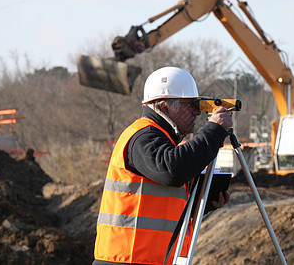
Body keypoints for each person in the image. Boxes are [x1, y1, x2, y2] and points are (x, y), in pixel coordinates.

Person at [93, 67, 233, 265]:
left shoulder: (166, 142)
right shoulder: (142, 136)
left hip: (154, 259)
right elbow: (172, 171)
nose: (197, 111)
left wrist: (205, 203)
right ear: (165, 106)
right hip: (127, 259)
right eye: (190, 105)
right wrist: (213, 131)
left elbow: (163, 203)